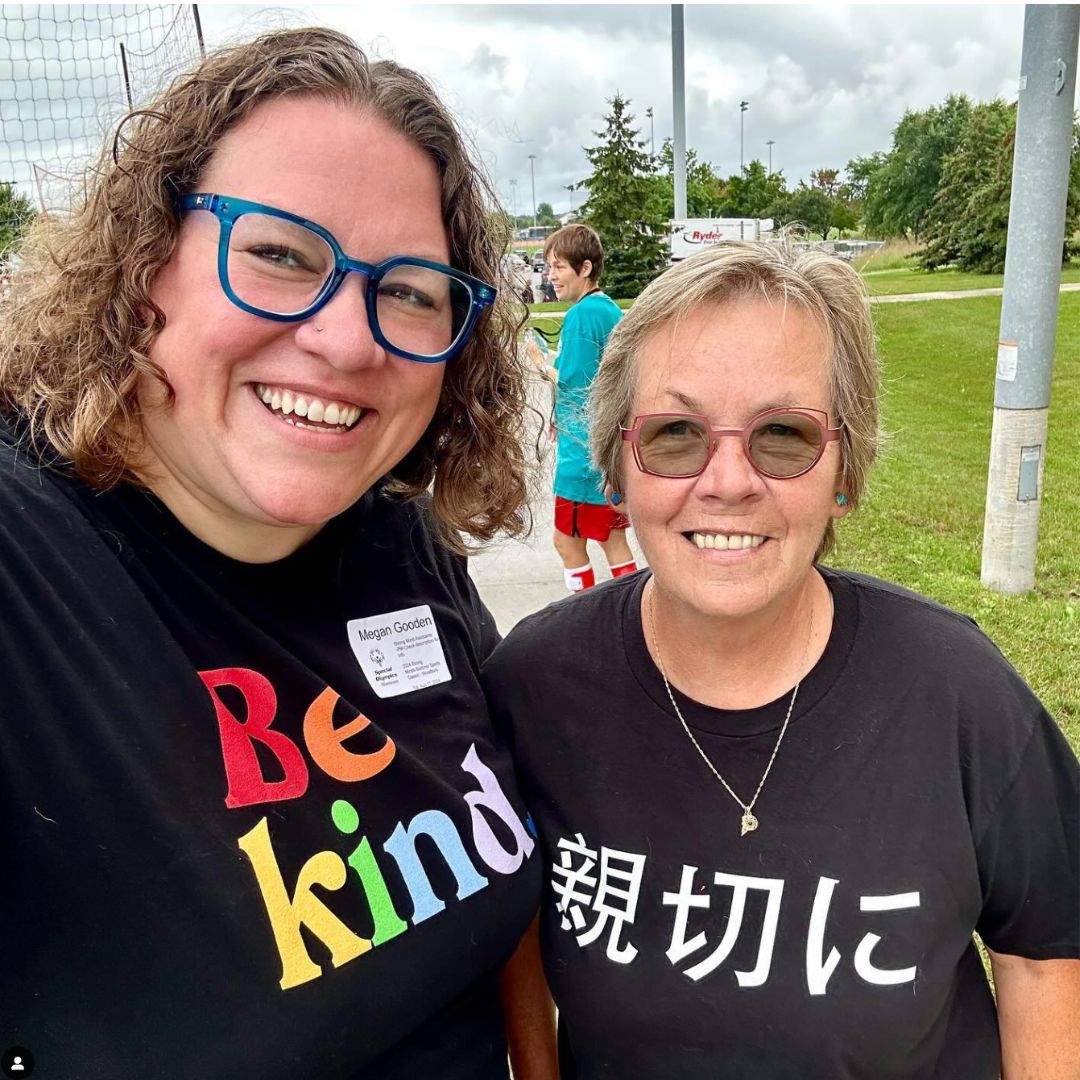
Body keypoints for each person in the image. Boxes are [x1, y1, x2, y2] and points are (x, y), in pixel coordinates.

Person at [0, 28, 542, 1079]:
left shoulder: (399, 544)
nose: (348, 340)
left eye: (412, 290)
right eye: (281, 255)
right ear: (146, 257)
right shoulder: (26, 569)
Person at [487, 240, 1080, 1079]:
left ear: (843, 468)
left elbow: (1048, 950)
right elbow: (514, 932)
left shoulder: (957, 694)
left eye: (784, 435)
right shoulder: (534, 684)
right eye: (677, 434)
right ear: (618, 465)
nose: (728, 480)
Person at [527, 224, 636, 592]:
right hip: (607, 449)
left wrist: (539, 362)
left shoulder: (579, 316)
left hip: (581, 454)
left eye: (559, 266)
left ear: (584, 268)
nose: (551, 275)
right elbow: (596, 372)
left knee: (567, 541)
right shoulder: (607, 311)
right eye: (549, 266)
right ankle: (631, 607)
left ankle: (582, 616)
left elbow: (572, 381)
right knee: (613, 540)